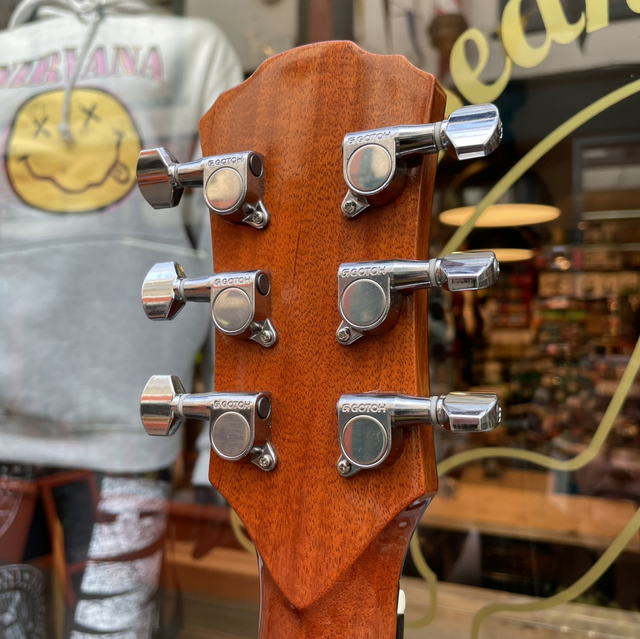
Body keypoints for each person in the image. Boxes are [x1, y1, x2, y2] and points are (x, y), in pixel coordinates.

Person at [0, 0, 242, 636]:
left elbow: (232, 257)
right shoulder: (195, 48)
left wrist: (219, 445)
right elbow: (234, 258)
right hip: (127, 430)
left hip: (129, 429)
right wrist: (217, 448)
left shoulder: (193, 51)